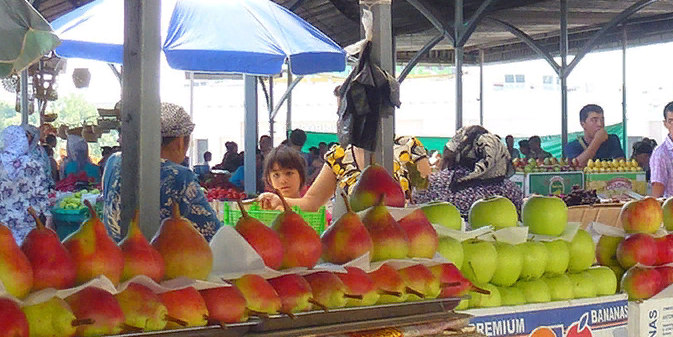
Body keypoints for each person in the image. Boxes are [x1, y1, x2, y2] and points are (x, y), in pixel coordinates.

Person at [101, 102, 221, 241]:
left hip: (116, 256)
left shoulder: (114, 161)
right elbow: (212, 234)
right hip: (155, 259)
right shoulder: (179, 177)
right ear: (180, 142)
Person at [257, 136, 430, 217]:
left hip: (405, 240)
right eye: (343, 111)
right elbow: (311, 202)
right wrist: (279, 200)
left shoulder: (409, 147)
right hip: (356, 245)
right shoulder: (339, 156)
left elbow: (426, 196)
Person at [412, 125, 522, 221]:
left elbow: (414, 211)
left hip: (438, 242)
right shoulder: (508, 189)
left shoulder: (430, 183)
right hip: (498, 243)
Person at [0, 125, 52, 243]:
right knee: (28, 251)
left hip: (5, 216)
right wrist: (47, 215)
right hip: (30, 217)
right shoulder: (33, 163)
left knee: (10, 254)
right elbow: (42, 192)